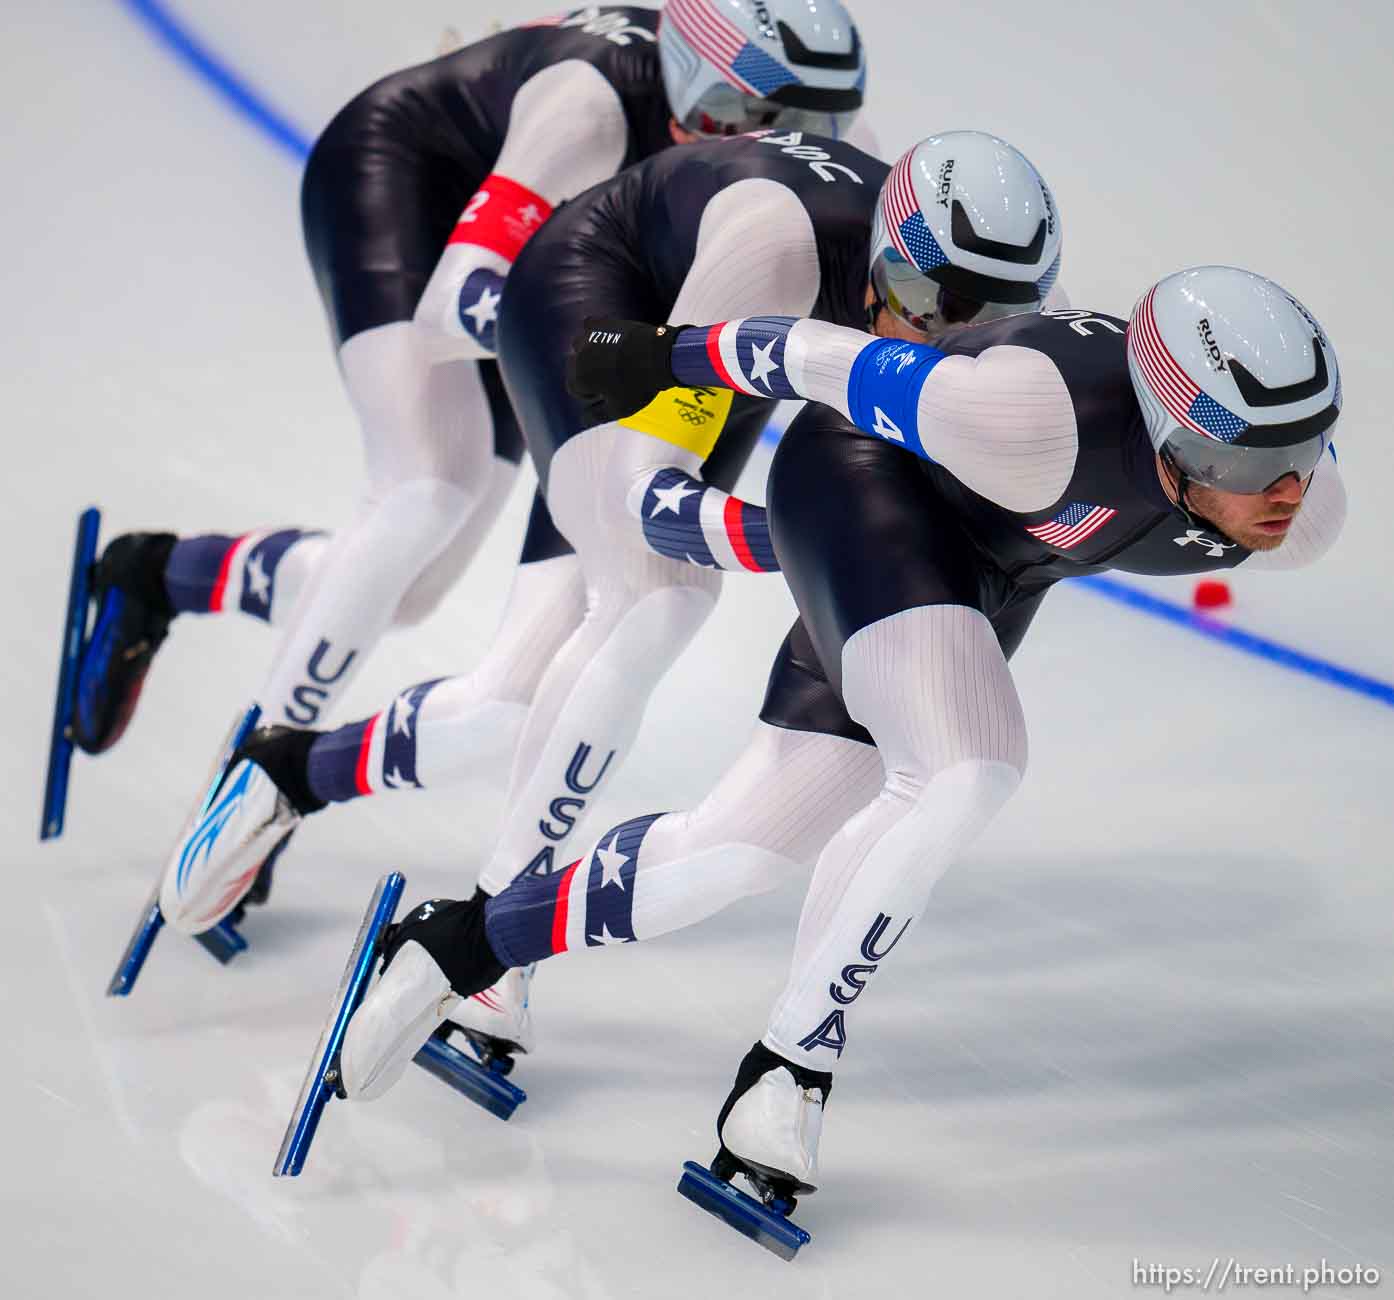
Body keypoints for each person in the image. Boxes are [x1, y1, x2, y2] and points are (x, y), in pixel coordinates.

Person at [337, 262, 1346, 1211]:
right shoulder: (1022, 412)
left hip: (984, 574)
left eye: (1302, 452)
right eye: (1244, 461)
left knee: (731, 856)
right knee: (966, 763)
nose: (1283, 492)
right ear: (1170, 436)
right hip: (862, 485)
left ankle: (464, 938)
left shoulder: (1299, 511)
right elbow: (812, 356)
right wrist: (659, 351)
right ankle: (790, 1065)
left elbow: (1258, 481)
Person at [164, 131, 1064, 1079]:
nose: (941, 341)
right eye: (926, 303)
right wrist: (797, 539)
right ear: (881, 260)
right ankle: (484, 939)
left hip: (723, 360)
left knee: (511, 701)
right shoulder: (772, 249)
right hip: (604, 323)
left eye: (982, 326)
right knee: (659, 596)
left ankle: (287, 773)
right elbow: (652, 498)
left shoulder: (940, 319)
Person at [68, 0, 866, 827]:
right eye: (749, 118)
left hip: (544, 257)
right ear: (694, 85)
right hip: (411, 188)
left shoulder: (806, 151)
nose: (771, 145)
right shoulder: (588, 108)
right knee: (425, 487)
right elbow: (453, 304)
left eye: (811, 124)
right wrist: (597, 359)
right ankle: (252, 780)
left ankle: (158, 573)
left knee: (407, 591)